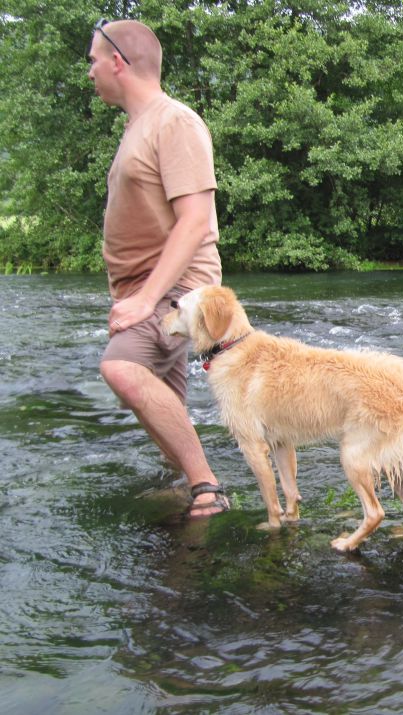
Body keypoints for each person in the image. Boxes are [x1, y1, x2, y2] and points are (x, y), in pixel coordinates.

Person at [88, 19, 228, 517]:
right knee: (158, 397)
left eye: (93, 61)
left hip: (177, 289)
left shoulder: (176, 122)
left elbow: (194, 222)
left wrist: (147, 299)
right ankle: (181, 493)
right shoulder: (139, 126)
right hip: (146, 287)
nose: (90, 72)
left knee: (121, 368)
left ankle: (206, 487)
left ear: (118, 62)